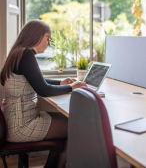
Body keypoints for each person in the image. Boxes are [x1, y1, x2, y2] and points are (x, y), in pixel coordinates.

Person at [0, 20, 85, 168]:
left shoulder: (18, 53)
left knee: (62, 119)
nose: (49, 43)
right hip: (21, 126)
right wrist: (72, 87)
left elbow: (36, 80)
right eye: (47, 38)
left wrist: (61, 83)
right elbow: (43, 90)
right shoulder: (26, 55)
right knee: (77, 127)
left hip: (12, 121)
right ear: (36, 36)